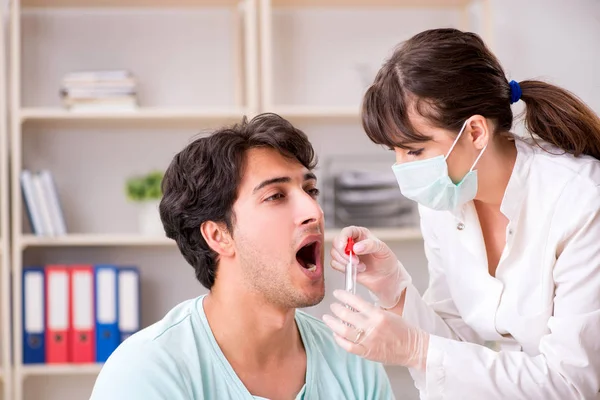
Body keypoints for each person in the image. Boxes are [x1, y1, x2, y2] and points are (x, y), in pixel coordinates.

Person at [322, 28, 600, 399]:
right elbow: (453, 343)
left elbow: (574, 384)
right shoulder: (446, 199)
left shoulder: (582, 201)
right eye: (395, 151)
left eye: (415, 151)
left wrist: (416, 349)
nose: (400, 168)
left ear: (475, 132)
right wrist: (393, 288)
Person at [89, 113, 394, 400]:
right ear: (218, 236)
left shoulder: (352, 362)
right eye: (276, 196)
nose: (314, 212)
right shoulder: (147, 372)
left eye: (310, 190)